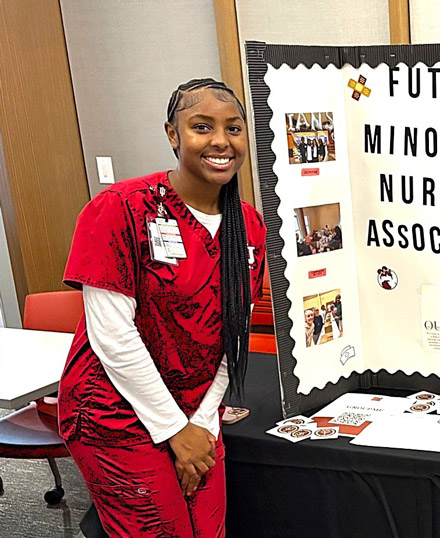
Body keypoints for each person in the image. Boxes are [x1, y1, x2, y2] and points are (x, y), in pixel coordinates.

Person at [58, 78, 266, 537]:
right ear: (173, 134)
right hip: (116, 411)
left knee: (208, 531)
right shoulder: (121, 208)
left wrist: (201, 424)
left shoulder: (246, 224)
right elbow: (112, 335)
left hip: (196, 411)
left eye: (233, 128)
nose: (220, 141)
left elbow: (236, 330)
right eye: (201, 126)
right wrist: (174, 430)